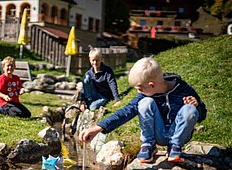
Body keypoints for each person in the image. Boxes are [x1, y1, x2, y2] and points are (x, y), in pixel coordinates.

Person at [79, 57, 207, 163]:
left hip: (179, 134)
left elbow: (201, 115)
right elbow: (126, 111)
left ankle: (174, 147)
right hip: (159, 133)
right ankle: (149, 145)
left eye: (140, 88)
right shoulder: (146, 94)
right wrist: (98, 128)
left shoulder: (183, 89)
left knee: (190, 109)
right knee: (144, 103)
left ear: (152, 85)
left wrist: (197, 106)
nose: (138, 92)